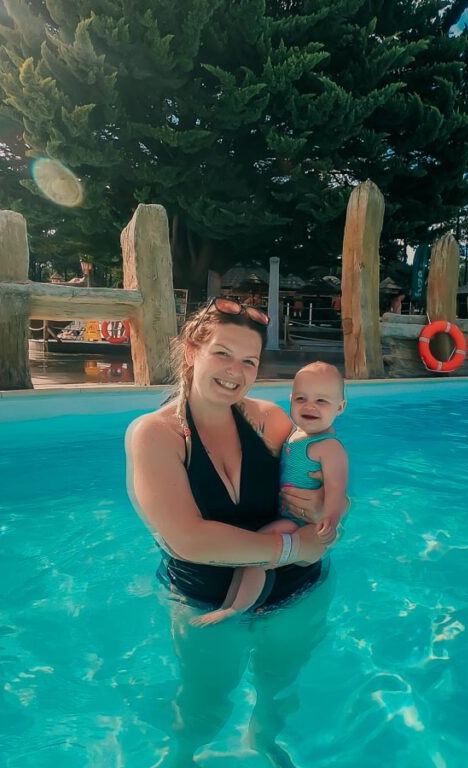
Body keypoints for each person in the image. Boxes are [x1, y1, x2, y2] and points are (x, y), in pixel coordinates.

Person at [125, 297, 338, 766]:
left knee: (277, 689)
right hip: (207, 601)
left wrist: (328, 508)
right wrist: (292, 545)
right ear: (191, 351)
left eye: (249, 361)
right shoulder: (156, 435)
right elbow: (189, 539)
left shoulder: (269, 421)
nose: (236, 371)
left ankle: (262, 741)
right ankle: (180, 757)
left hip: (296, 592)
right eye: (223, 353)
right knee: (204, 701)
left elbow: (328, 477)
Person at [192, 361, 348, 626]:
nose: (309, 406)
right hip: (288, 516)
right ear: (291, 399)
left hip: (300, 524)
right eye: (301, 398)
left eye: (322, 401)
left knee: (256, 554)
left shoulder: (329, 447)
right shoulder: (295, 434)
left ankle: (235, 608)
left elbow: (336, 487)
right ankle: (231, 604)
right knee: (250, 554)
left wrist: (329, 520)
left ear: (340, 407)